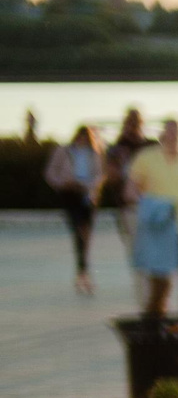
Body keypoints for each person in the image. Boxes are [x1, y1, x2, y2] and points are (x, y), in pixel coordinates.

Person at [124, 118, 178, 318]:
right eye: (169, 133)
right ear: (162, 135)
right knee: (160, 285)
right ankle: (154, 327)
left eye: (177, 134)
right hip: (160, 230)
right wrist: (152, 206)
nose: (173, 137)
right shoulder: (146, 158)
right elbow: (130, 191)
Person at [43, 123, 106, 296]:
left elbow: (100, 176)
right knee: (78, 231)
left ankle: (82, 272)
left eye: (87, 137)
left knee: (85, 233)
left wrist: (87, 186)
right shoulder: (64, 151)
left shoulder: (95, 152)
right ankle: (83, 273)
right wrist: (62, 183)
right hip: (70, 194)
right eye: (81, 135)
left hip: (87, 196)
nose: (83, 139)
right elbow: (50, 173)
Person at [101, 109, 150, 273]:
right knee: (134, 246)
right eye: (130, 122)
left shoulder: (150, 146)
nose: (133, 127)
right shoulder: (116, 149)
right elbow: (110, 176)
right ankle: (142, 278)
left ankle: (147, 278)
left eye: (136, 123)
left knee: (149, 244)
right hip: (126, 205)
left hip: (150, 203)